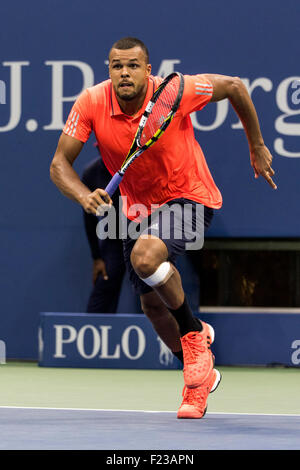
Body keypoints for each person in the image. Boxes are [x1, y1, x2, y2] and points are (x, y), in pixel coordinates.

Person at [50, 37, 276, 419]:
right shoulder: (91, 102)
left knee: (145, 256)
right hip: (139, 208)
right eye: (117, 66)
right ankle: (197, 381)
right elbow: (59, 165)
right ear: (108, 70)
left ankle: (193, 334)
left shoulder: (177, 91)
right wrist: (84, 196)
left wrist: (256, 144)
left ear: (148, 70)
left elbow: (236, 86)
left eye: (133, 65)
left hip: (189, 195)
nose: (124, 72)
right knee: (152, 304)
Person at [81, 147, 126, 313]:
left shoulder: (140, 168)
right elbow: (89, 217)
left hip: (146, 236)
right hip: (113, 240)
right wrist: (97, 257)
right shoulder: (92, 173)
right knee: (103, 288)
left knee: (155, 292)